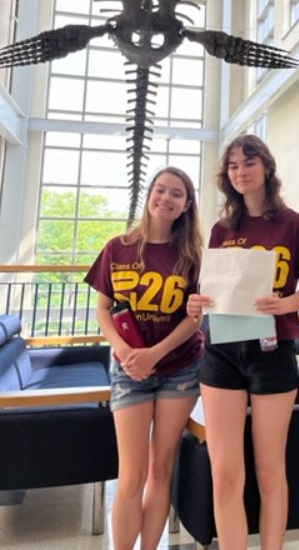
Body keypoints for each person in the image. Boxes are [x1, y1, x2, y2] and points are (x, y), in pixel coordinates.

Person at [186, 134, 299, 550]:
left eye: (248, 163)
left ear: (266, 167)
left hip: (272, 351)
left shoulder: (294, 224)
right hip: (222, 351)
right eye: (233, 166)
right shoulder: (221, 229)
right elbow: (212, 289)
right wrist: (197, 303)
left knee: (269, 471)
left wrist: (285, 304)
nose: (240, 172)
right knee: (225, 472)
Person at [84, 166, 203, 550]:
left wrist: (155, 353)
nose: (166, 198)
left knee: (161, 469)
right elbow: (103, 309)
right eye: (161, 190)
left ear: (186, 205)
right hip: (128, 370)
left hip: (180, 369)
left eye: (177, 194)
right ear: (149, 194)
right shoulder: (117, 247)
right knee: (131, 475)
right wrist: (124, 351)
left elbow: (194, 319)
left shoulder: (193, 256)